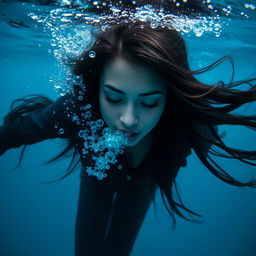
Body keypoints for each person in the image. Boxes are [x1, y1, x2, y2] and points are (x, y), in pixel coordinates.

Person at [1, 16, 256, 256]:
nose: (129, 120)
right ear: (96, 88)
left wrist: (206, 136)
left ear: (169, 96)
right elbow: (12, 134)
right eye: (113, 97)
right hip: (98, 170)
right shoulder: (78, 109)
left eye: (149, 103)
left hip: (151, 172)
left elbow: (205, 129)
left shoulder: (188, 123)